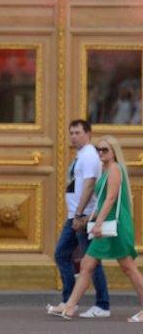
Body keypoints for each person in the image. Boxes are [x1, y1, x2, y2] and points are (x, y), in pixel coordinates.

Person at [49, 135, 143, 322]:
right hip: (105, 224)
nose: (101, 153)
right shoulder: (105, 168)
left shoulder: (115, 169)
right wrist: (91, 217)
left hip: (114, 226)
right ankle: (69, 307)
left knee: (128, 268)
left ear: (114, 152)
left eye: (105, 150)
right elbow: (102, 199)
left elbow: (110, 199)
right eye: (98, 149)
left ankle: (71, 306)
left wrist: (98, 223)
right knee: (87, 265)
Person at [50, 120, 110, 318]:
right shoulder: (82, 155)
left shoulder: (90, 156)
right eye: (71, 133)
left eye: (77, 132)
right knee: (63, 255)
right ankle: (69, 302)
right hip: (75, 215)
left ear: (88, 133)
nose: (73, 136)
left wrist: (80, 214)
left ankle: (102, 304)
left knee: (90, 262)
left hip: (83, 216)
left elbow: (90, 184)